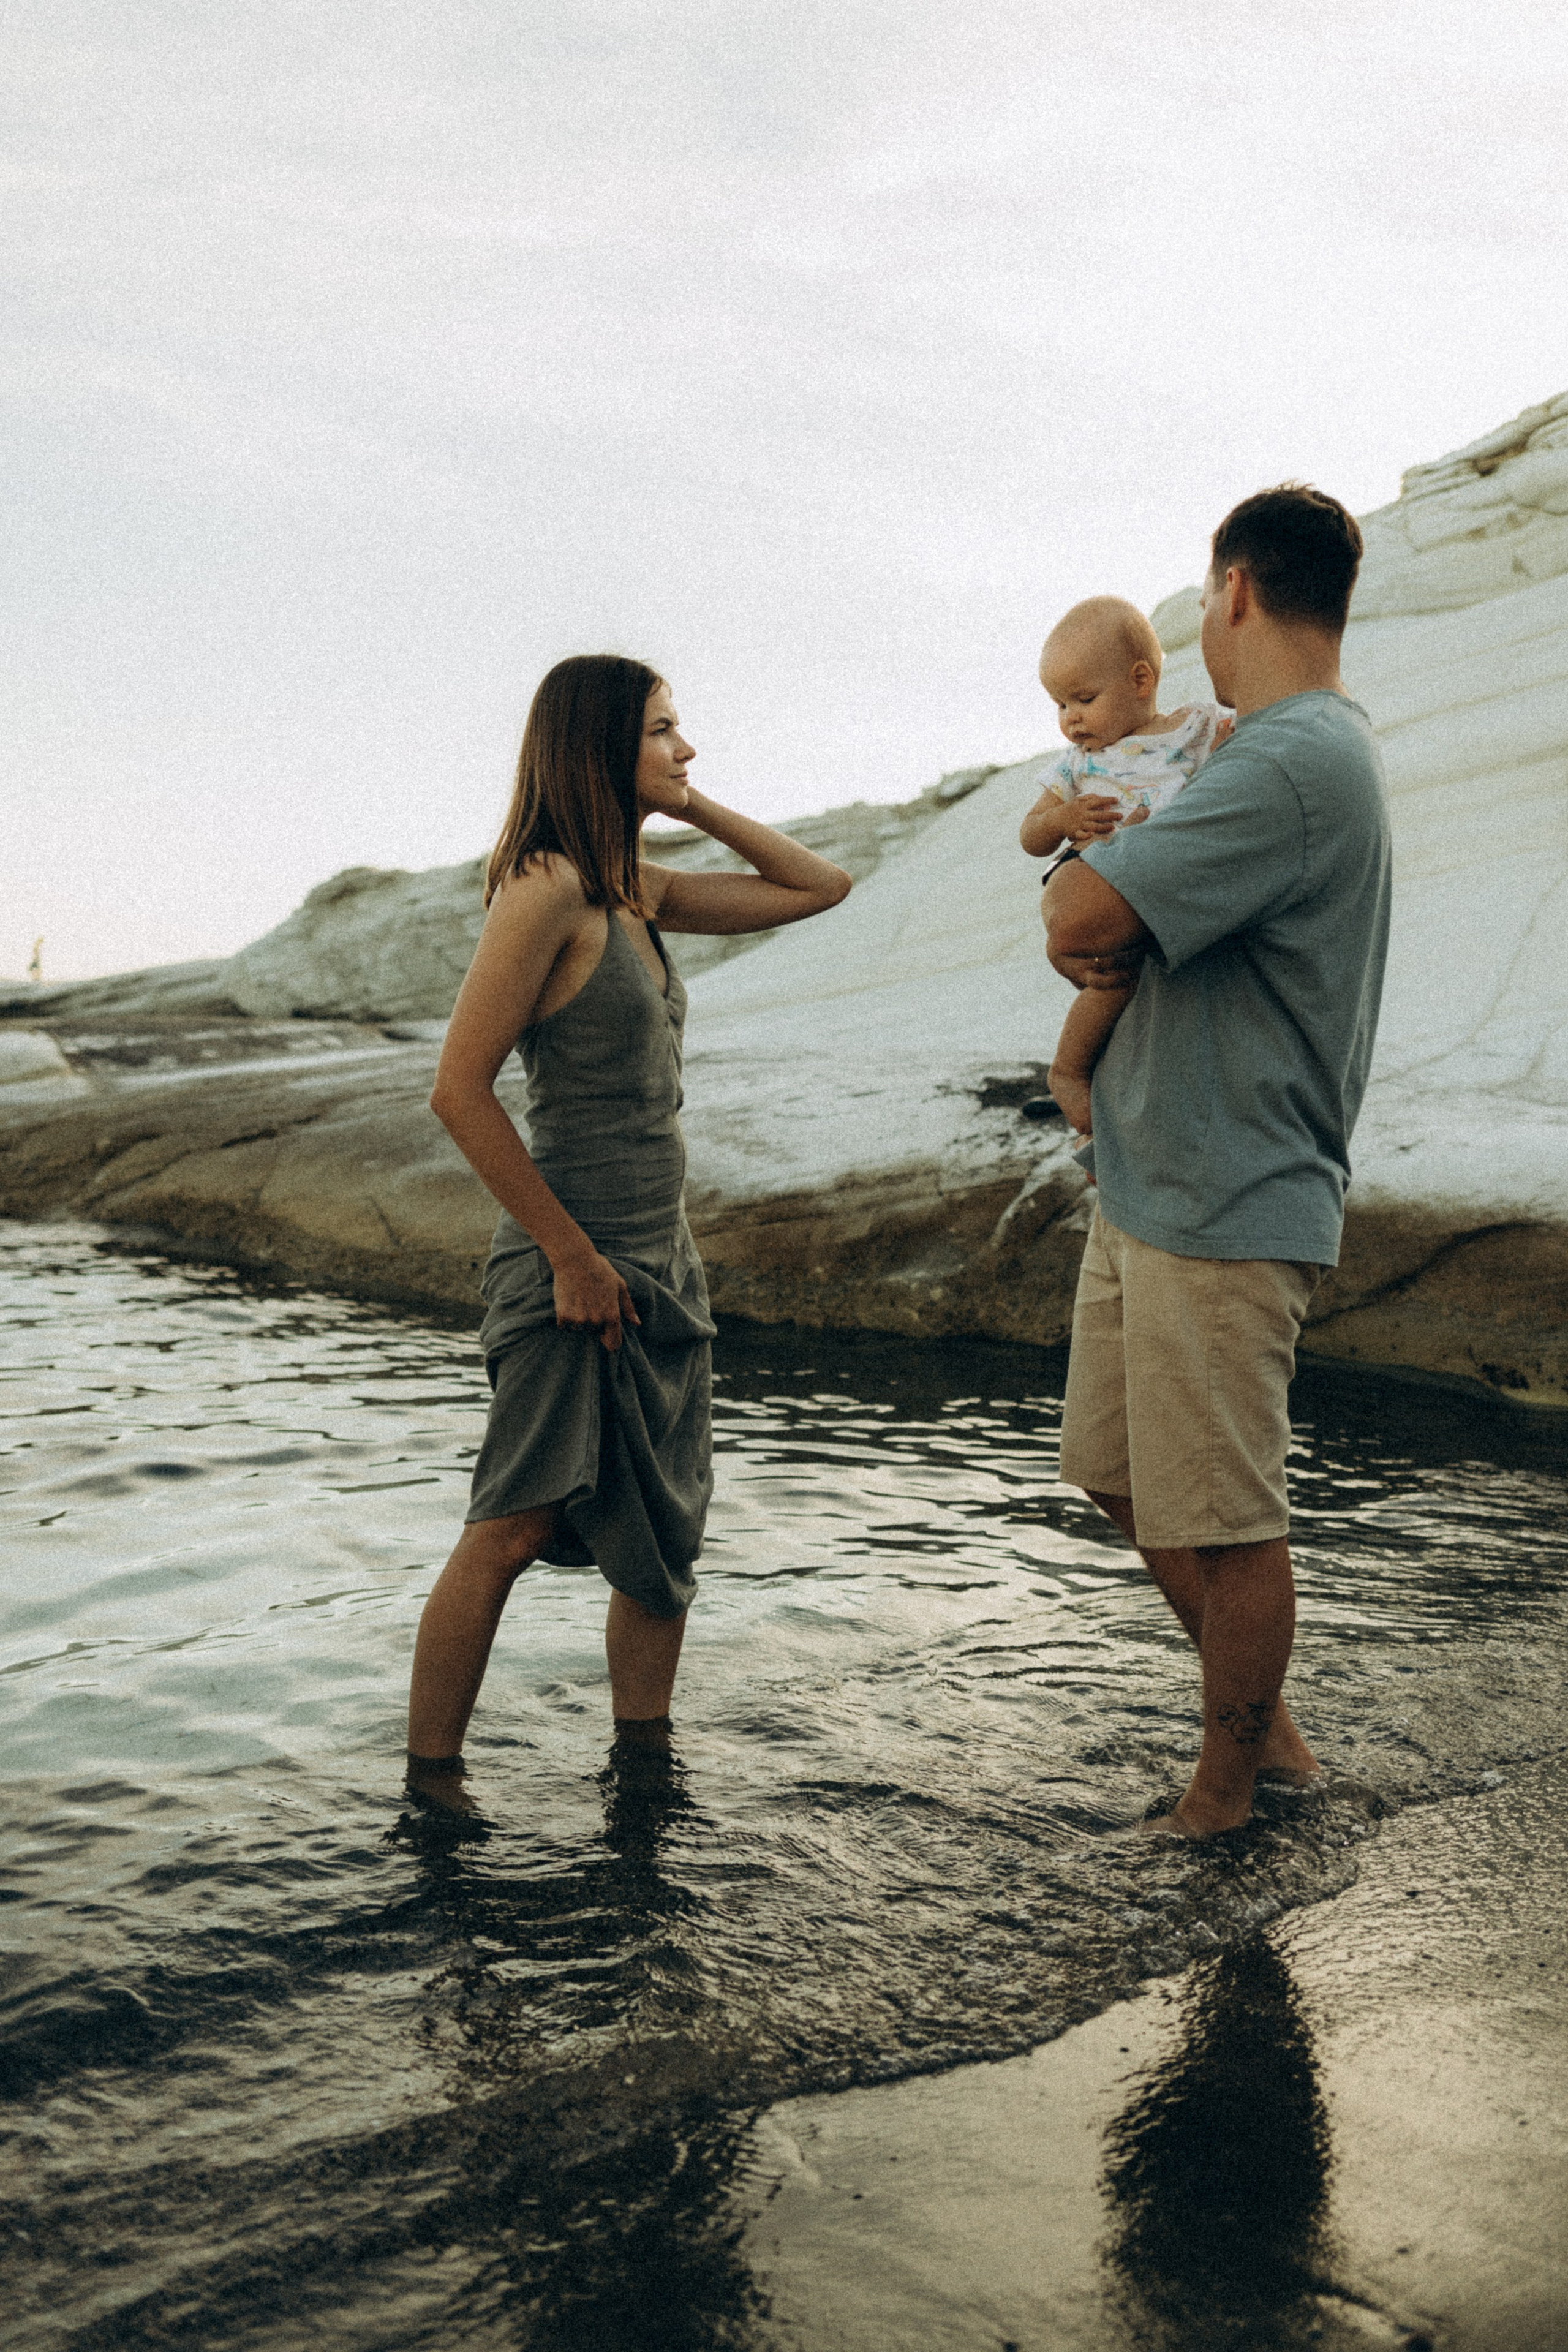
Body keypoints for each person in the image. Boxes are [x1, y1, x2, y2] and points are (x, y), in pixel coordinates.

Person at [406, 655, 851, 1797]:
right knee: (513, 1523)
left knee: (661, 1550)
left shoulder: (633, 889)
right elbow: (460, 1088)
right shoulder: (546, 887)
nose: (687, 748)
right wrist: (568, 1255)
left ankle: (643, 1779)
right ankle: (432, 1794)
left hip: (662, 1262)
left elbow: (820, 886)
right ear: (602, 747)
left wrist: (685, 804)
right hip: (572, 1262)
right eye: (663, 732)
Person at [1041, 486, 1391, 1838]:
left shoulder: (1289, 759)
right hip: (1156, 1178)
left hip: (1229, 1195)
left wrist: (1083, 907)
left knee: (1230, 1517)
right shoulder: (1259, 751)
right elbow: (1084, 927)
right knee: (1129, 1482)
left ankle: (1223, 1796)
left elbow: (1079, 913)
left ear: (1230, 591)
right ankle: (1275, 1743)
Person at [1019, 595, 1232, 1134]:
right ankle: (1068, 1072)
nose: (1071, 718)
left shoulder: (1196, 728)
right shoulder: (1076, 766)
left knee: (1151, 998)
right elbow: (1031, 836)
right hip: (1101, 884)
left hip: (1163, 897)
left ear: (1141, 680)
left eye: (1084, 699)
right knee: (1110, 984)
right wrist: (1063, 818)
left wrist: (1234, 742)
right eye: (1060, 705)